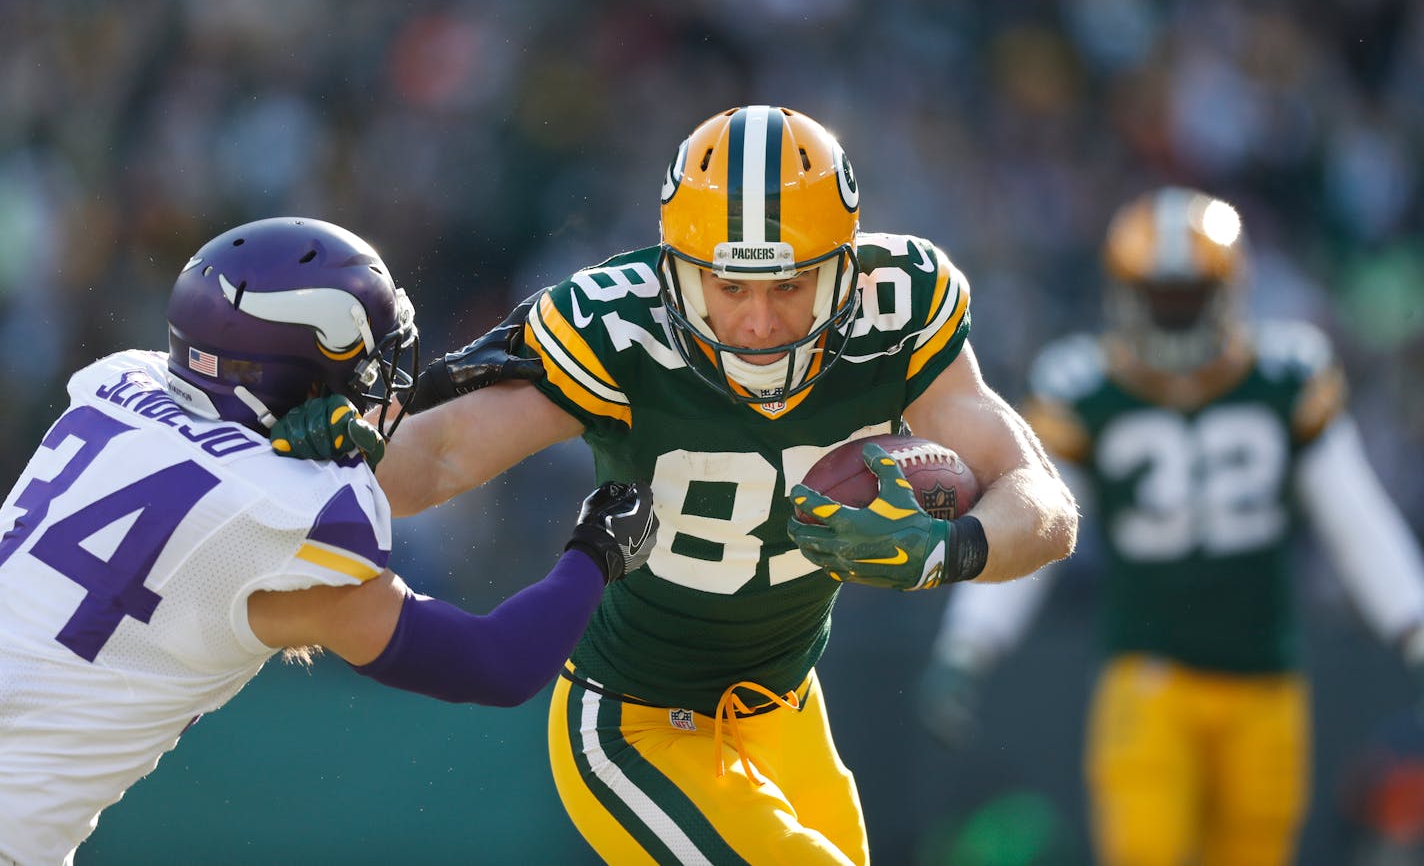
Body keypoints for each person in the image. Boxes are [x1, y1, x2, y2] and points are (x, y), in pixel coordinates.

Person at [274, 105, 1078, 863]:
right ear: (679, 274)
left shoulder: (898, 308)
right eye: (731, 288)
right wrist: (329, 459)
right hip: (636, 719)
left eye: (789, 286)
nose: (759, 322)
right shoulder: (620, 329)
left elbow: (1041, 500)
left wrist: (950, 549)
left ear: (844, 270)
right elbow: (440, 458)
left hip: (788, 708)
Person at [0, 217, 658, 866]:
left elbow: (228, 462)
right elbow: (495, 662)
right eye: (366, 366)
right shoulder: (292, 516)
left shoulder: (120, 386)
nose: (382, 379)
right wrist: (597, 551)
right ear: (309, 383)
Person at [918, 187, 1424, 866]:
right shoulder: (1086, 386)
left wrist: (1413, 617)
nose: (1175, 314)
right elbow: (1035, 519)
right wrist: (971, 640)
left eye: (1188, 296)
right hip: (1149, 677)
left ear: (1229, 292)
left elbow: (1355, 515)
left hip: (1265, 676)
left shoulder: (1285, 375)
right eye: (1161, 296)